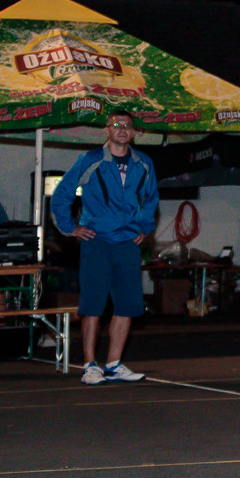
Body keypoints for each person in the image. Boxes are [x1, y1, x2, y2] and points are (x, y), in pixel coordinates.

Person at [48, 111, 159, 384]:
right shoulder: (90, 160)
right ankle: (90, 366)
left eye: (127, 126)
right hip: (97, 242)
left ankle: (114, 364)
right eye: (116, 125)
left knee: (127, 305)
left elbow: (151, 199)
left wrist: (145, 228)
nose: (122, 129)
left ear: (133, 132)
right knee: (93, 305)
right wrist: (69, 227)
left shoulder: (143, 163)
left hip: (128, 244)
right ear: (107, 131)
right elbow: (62, 194)